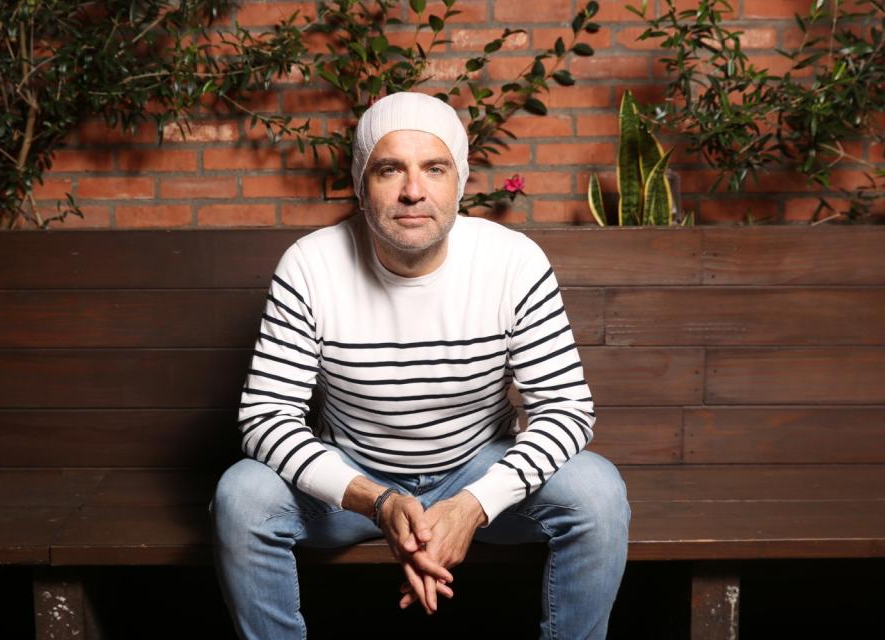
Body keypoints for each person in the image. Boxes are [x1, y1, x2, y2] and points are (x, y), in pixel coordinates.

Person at [209, 91, 631, 639]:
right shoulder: (310, 265)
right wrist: (379, 502)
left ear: (460, 183)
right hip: (352, 479)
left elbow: (567, 411)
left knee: (598, 492)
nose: (413, 190)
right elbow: (266, 417)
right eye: (390, 169)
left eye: (435, 168)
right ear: (362, 185)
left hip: (479, 469)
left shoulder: (513, 261)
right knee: (241, 496)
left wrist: (473, 506)